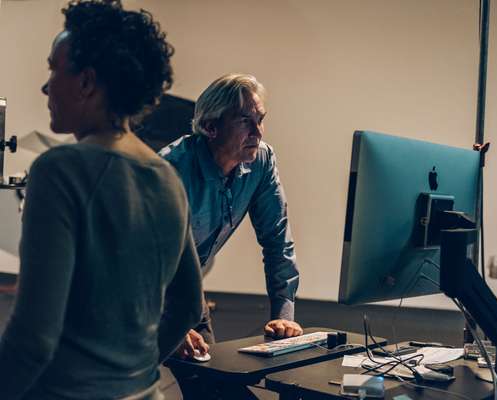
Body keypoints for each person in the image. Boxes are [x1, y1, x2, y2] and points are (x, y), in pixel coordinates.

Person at [0, 1, 203, 399]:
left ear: (86, 82)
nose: (46, 86)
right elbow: (188, 306)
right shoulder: (167, 178)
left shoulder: (60, 170)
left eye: (54, 70)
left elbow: (34, 337)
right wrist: (136, 375)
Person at [160, 73, 302, 398]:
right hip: (132, 294)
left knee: (213, 386)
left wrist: (284, 316)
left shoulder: (262, 161)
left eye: (260, 120)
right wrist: (169, 324)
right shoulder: (169, 171)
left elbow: (277, 240)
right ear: (211, 127)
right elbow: (138, 262)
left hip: (186, 287)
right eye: (245, 122)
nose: (257, 132)